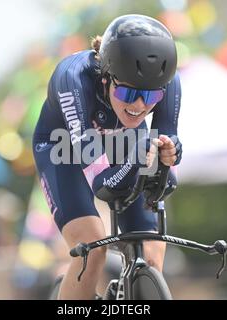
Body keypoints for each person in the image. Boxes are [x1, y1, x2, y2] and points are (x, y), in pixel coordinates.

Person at [32, 14, 183, 299]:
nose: (139, 106)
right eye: (127, 92)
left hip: (126, 144)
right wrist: (138, 162)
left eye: (151, 98)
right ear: (105, 77)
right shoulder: (72, 80)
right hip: (63, 148)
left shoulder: (169, 82)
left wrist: (169, 156)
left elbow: (164, 179)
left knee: (150, 252)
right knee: (92, 248)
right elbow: (104, 186)